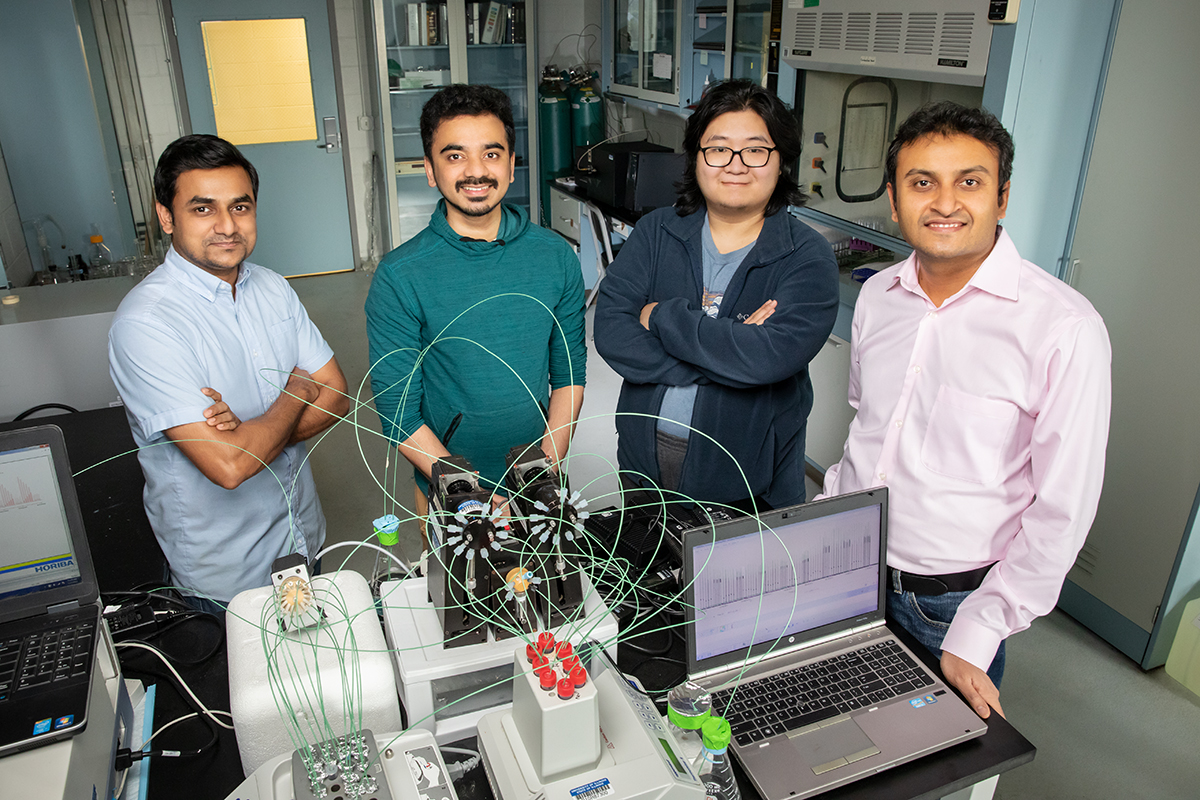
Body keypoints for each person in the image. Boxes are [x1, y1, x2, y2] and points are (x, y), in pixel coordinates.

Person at [820, 101, 1111, 719]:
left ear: (1002, 197)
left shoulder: (1063, 328)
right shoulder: (878, 295)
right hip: (847, 567)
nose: (945, 203)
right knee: (828, 740)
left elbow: (1064, 509)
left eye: (969, 182)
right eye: (922, 183)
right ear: (895, 203)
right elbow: (866, 433)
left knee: (926, 767)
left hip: (950, 607)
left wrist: (982, 629)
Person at [108, 134, 349, 611]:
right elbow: (230, 467)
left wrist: (250, 434)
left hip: (304, 541)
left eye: (240, 207)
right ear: (165, 216)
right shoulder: (146, 323)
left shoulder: (273, 288)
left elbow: (339, 397)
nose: (226, 226)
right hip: (226, 579)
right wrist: (296, 392)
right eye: (202, 209)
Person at [593, 79, 838, 512]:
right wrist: (730, 343)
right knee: (641, 577)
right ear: (696, 156)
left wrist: (662, 318)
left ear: (780, 161)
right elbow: (611, 331)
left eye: (756, 150)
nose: (736, 165)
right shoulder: (656, 231)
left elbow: (769, 358)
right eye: (719, 148)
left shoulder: (806, 255)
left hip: (749, 484)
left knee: (743, 581)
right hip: (642, 467)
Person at [365, 84, 586, 522]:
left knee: (545, 588)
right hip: (448, 489)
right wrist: (468, 492)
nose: (475, 171)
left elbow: (569, 375)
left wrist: (542, 470)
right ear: (430, 170)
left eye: (491, 153)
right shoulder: (400, 275)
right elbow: (398, 410)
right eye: (454, 156)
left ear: (510, 164)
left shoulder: (555, 256)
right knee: (457, 589)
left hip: (536, 476)